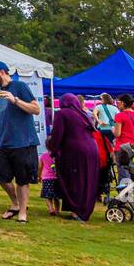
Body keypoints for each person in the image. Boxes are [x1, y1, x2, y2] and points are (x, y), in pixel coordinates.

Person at [0, 60, 41, 222]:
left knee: (22, 179)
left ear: (2, 72)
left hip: (23, 141)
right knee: (1, 177)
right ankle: (15, 203)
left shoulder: (19, 87)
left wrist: (15, 100)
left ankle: (22, 212)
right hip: (2, 142)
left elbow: (36, 109)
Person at [46, 92, 101, 222]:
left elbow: (57, 134)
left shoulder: (62, 114)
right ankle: (84, 209)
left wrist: (53, 151)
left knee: (75, 180)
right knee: (87, 180)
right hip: (92, 150)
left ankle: (77, 210)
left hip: (75, 152)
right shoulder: (83, 115)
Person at [112, 94, 134, 185]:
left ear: (123, 103)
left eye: (118, 102)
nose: (117, 104)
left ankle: (125, 197)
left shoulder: (120, 115)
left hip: (123, 148)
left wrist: (113, 130)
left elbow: (117, 134)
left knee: (124, 172)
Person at [38, 148, 61, 217]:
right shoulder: (58, 155)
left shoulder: (43, 156)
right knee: (56, 196)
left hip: (46, 178)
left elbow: (40, 167)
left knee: (47, 196)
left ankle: (51, 209)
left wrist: (39, 176)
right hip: (57, 178)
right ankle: (57, 210)